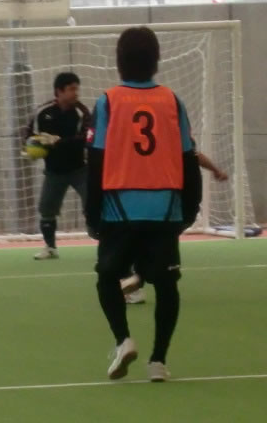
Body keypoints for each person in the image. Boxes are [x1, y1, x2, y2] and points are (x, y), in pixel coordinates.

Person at [85, 27, 202, 382]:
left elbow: (96, 160)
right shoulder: (172, 101)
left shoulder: (108, 101)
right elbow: (188, 157)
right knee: (167, 285)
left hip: (118, 205)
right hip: (164, 205)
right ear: (156, 59)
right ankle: (158, 361)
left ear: (119, 60)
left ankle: (123, 340)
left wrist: (92, 212)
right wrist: (191, 205)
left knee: (107, 276)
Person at [122, 150, 227, 304]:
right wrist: (216, 170)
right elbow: (196, 155)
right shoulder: (179, 148)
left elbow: (195, 155)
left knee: (151, 237)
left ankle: (140, 277)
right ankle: (142, 277)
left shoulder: (168, 150)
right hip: (180, 203)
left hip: (173, 201)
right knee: (156, 239)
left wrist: (215, 170)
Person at [24, 72, 90, 260]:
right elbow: (29, 135)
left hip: (80, 170)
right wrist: (29, 149)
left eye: (77, 89)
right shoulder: (42, 113)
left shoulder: (82, 113)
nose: (76, 93)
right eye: (71, 89)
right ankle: (50, 248)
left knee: (93, 206)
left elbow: (85, 139)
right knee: (46, 209)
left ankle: (105, 245)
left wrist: (58, 142)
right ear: (59, 91)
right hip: (54, 171)